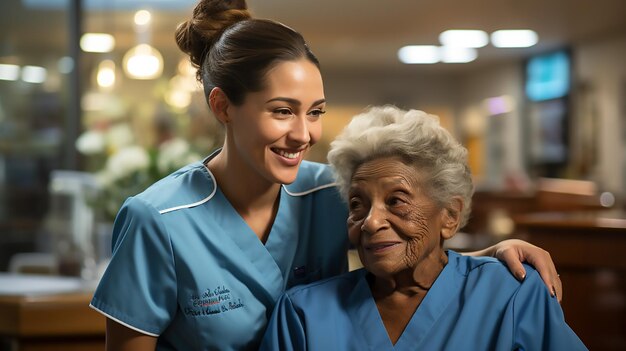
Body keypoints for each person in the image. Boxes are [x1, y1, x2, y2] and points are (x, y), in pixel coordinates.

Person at [89, 1, 561, 350]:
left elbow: (404, 247)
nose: (304, 134)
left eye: (315, 112)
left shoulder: (331, 192)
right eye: (282, 111)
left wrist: (490, 255)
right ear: (223, 106)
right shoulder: (159, 219)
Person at [260, 106, 586, 350]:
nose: (371, 222)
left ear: (450, 215)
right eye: (357, 204)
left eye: (397, 200)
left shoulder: (514, 294)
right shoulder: (303, 314)